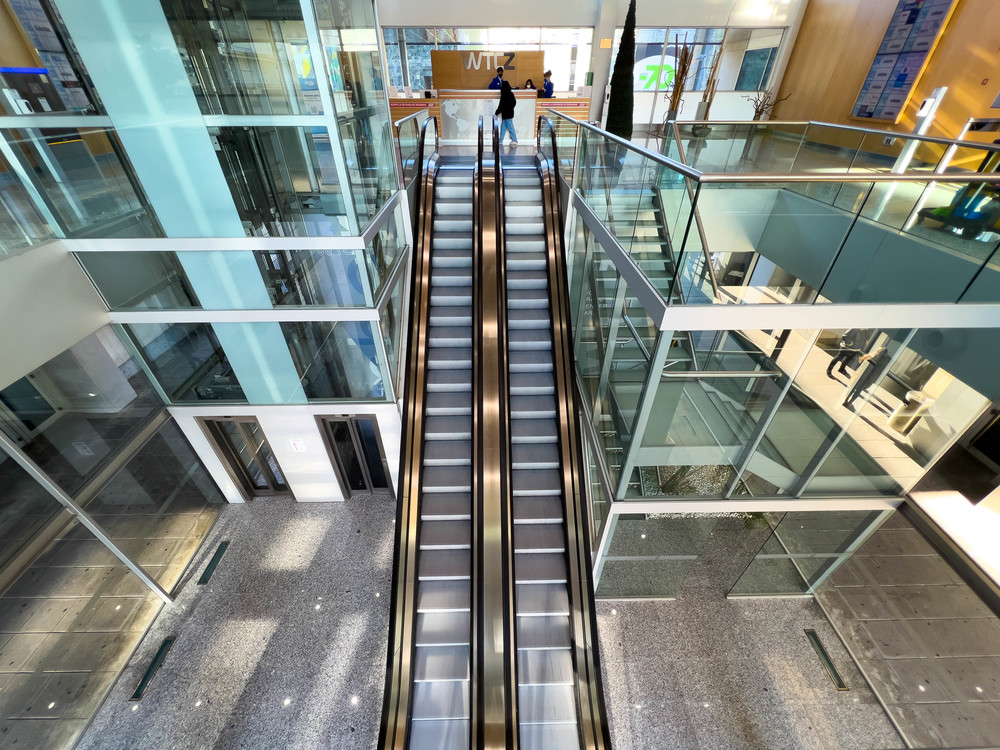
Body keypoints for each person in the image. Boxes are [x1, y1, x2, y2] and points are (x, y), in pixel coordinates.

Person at [495, 80, 518, 146]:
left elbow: (501, 106)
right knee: (503, 127)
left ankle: (515, 140)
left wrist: (497, 112)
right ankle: (500, 140)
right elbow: (514, 103)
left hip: (506, 115)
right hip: (509, 114)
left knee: (510, 127)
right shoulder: (511, 94)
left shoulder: (504, 95)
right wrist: (509, 108)